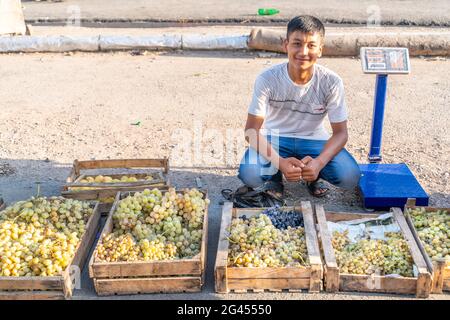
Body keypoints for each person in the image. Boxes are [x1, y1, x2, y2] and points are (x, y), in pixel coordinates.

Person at [238, 15, 360, 198]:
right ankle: (276, 177)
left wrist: (319, 163)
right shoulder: (268, 79)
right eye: (297, 43)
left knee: (349, 177)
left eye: (311, 45)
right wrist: (280, 163)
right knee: (250, 175)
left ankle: (313, 175)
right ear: (285, 45)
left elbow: (341, 133)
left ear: (320, 49)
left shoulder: (331, 82)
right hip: (276, 138)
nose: (303, 52)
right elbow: (251, 131)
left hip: (315, 140)